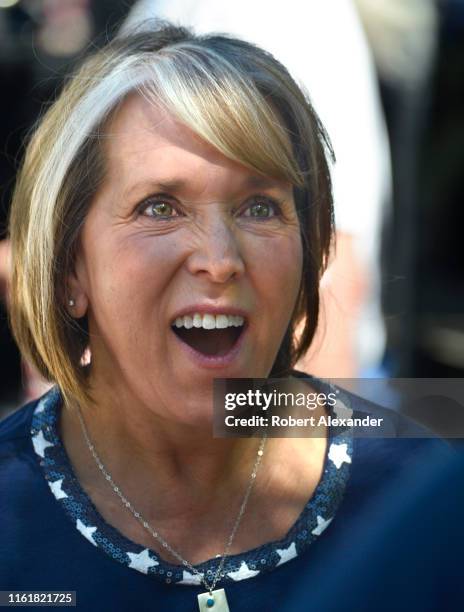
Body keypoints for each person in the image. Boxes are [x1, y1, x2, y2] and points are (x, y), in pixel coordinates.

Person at [0, 24, 448, 611]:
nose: (219, 260)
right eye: (159, 207)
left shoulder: (422, 501)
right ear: (68, 270)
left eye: (259, 207)